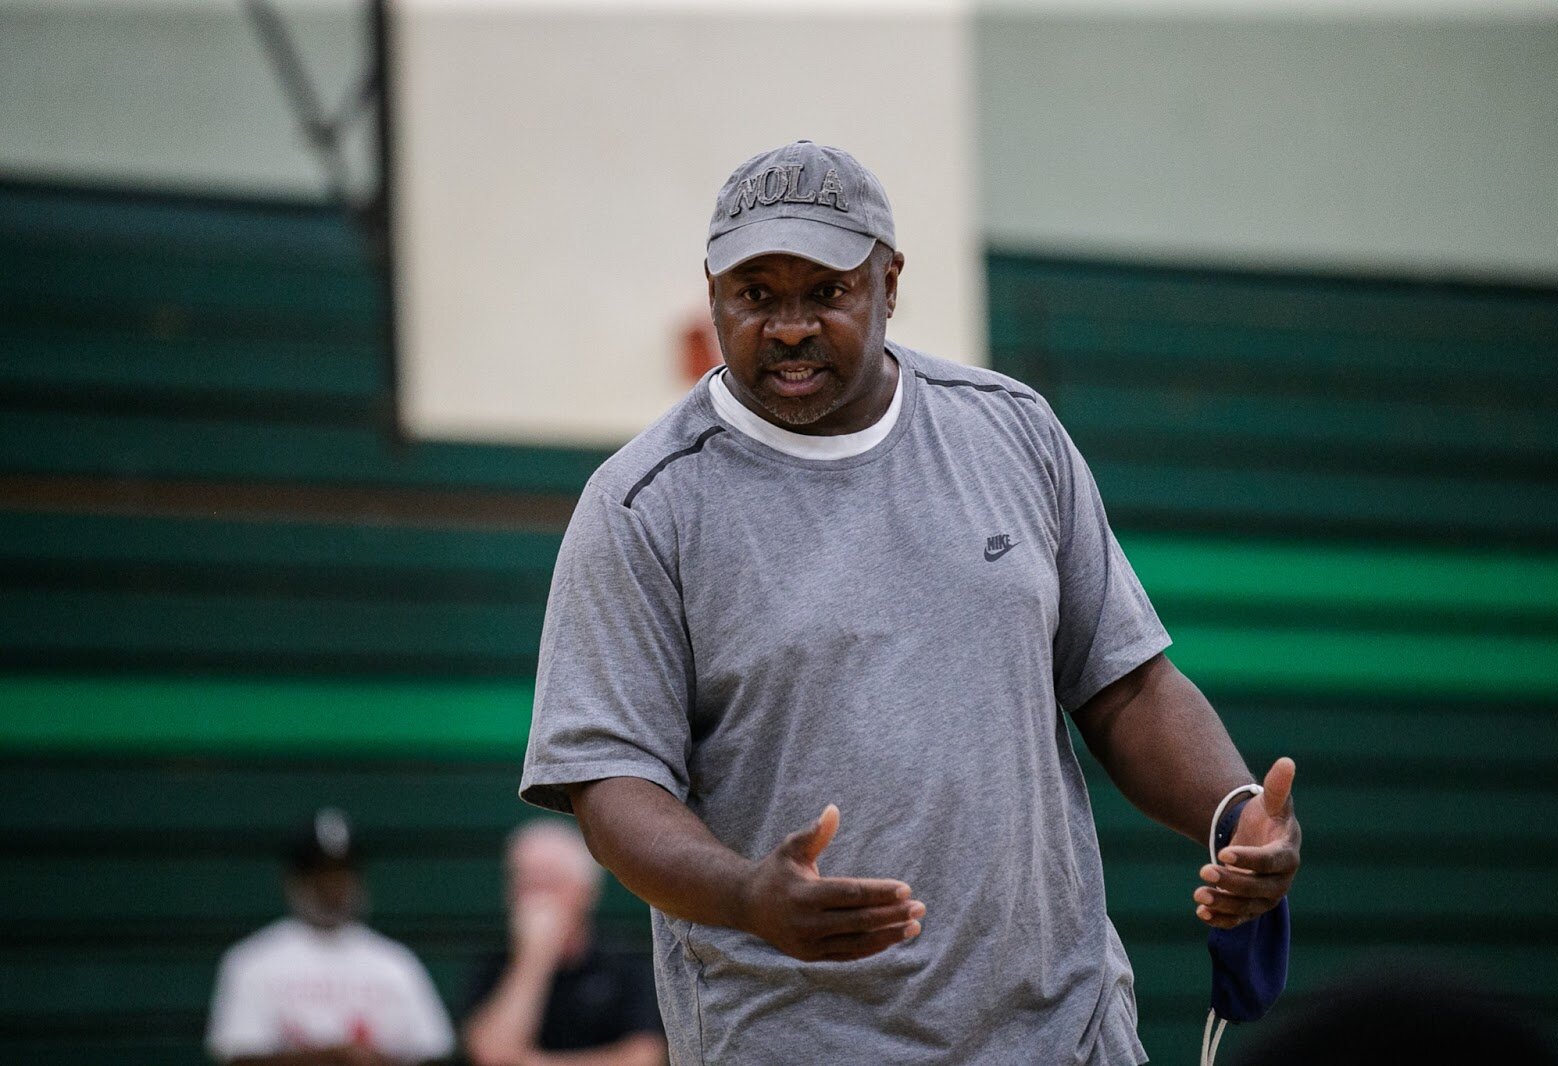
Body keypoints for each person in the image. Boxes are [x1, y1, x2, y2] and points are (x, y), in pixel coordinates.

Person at [519, 139, 1302, 1064]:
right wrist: (746, 897)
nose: (789, 326)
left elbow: (1124, 686)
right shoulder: (643, 506)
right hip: (798, 1042)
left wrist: (1234, 809)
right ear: (713, 290)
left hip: (1063, 1032)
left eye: (826, 291)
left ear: (890, 283)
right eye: (756, 294)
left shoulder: (1011, 432)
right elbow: (613, 786)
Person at [205, 809, 455, 1066]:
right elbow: (238, 1056)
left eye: (342, 871)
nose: (332, 885)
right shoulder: (252, 961)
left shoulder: (395, 962)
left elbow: (432, 1051)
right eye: (321, 872)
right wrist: (334, 1056)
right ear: (296, 878)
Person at [461, 821, 666, 1066]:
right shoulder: (494, 965)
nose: (536, 898)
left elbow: (645, 1056)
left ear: (585, 892)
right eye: (525, 883)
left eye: (548, 883)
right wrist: (533, 960)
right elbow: (492, 1054)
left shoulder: (624, 964)